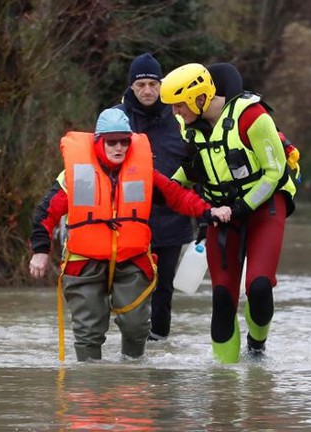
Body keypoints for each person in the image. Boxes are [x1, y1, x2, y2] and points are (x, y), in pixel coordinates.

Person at [28, 108, 231, 362]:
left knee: (137, 327)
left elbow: (177, 196)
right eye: (111, 142)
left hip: (132, 260)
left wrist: (208, 211)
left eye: (124, 141)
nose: (119, 147)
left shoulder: (144, 172)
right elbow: (45, 213)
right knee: (88, 331)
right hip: (85, 262)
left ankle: (133, 383)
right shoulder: (74, 175)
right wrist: (40, 250)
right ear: (98, 142)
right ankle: (90, 391)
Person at [160, 62, 297, 363]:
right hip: (221, 214)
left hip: (264, 207)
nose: (175, 113)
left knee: (259, 286)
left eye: (179, 105)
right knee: (222, 298)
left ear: (199, 98)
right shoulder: (189, 126)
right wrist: (168, 187)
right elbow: (193, 166)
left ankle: (257, 346)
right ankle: (224, 384)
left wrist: (241, 207)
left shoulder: (253, 117)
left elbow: (275, 173)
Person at [115, 52, 193, 342]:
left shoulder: (180, 116)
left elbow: (197, 165)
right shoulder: (117, 118)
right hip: (128, 219)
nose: (147, 91)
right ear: (131, 87)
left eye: (152, 84)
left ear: (161, 85)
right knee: (130, 284)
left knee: (164, 289)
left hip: (173, 216)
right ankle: (131, 344)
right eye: (141, 85)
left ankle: (159, 347)